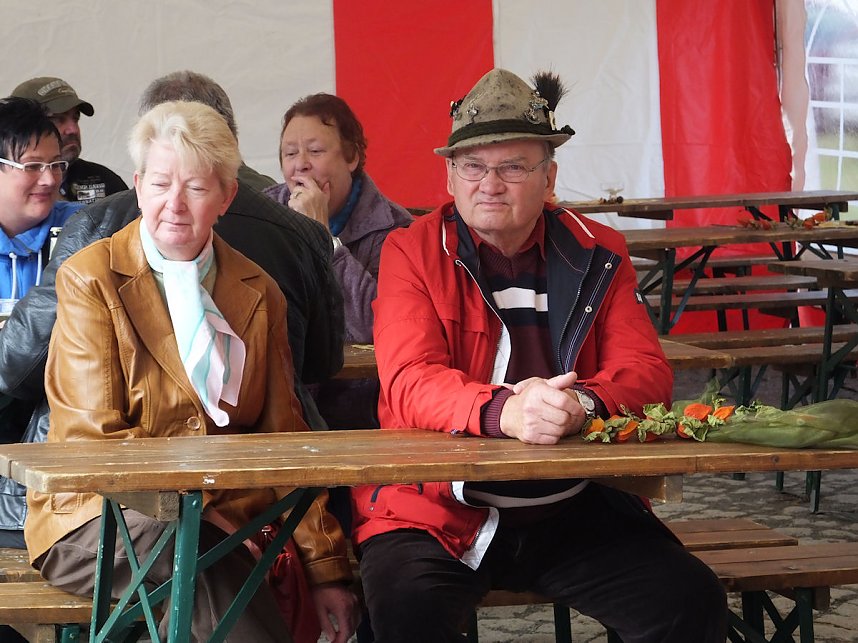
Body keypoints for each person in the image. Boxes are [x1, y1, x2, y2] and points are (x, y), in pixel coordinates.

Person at [350, 69, 727, 642]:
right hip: (436, 510)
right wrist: (504, 411)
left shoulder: (599, 250)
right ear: (450, 176)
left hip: (572, 505)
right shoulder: (411, 251)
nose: (489, 184)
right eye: (472, 166)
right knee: (404, 610)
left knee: (689, 601)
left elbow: (647, 374)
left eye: (512, 167)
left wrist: (581, 406)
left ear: (549, 177)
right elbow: (408, 380)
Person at [25, 100, 357, 643]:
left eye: (196, 187)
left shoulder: (259, 291)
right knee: (203, 558)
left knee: (206, 562)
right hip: (94, 516)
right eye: (160, 184)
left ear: (226, 197)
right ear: (138, 187)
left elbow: (284, 442)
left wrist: (326, 568)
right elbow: (93, 442)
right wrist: (203, 510)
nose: (174, 204)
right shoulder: (91, 279)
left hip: (216, 525)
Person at [264, 94, 411, 430]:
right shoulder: (263, 216)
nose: (301, 164)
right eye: (290, 153)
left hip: (357, 414)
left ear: (352, 157)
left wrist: (322, 238)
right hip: (280, 408)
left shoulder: (394, 229)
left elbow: (376, 327)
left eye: (315, 151)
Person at [0, 97, 83, 549]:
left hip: (58, 426)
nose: (50, 179)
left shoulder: (83, 232)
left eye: (56, 164)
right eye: (32, 166)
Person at [12, 77, 128, 203]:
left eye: (75, 118)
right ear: (21, 128)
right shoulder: (8, 186)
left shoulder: (106, 181)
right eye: (58, 119)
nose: (73, 130)